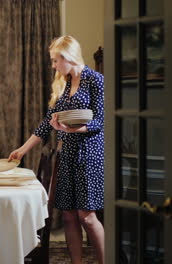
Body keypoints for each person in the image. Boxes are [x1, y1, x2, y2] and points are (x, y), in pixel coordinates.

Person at [8, 35, 105, 264]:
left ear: (68, 57)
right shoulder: (64, 82)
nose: (53, 66)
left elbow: (102, 121)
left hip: (89, 155)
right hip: (67, 155)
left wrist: (74, 130)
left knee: (88, 217)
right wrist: (22, 150)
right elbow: (47, 122)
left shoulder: (96, 80)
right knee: (69, 216)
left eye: (55, 60)